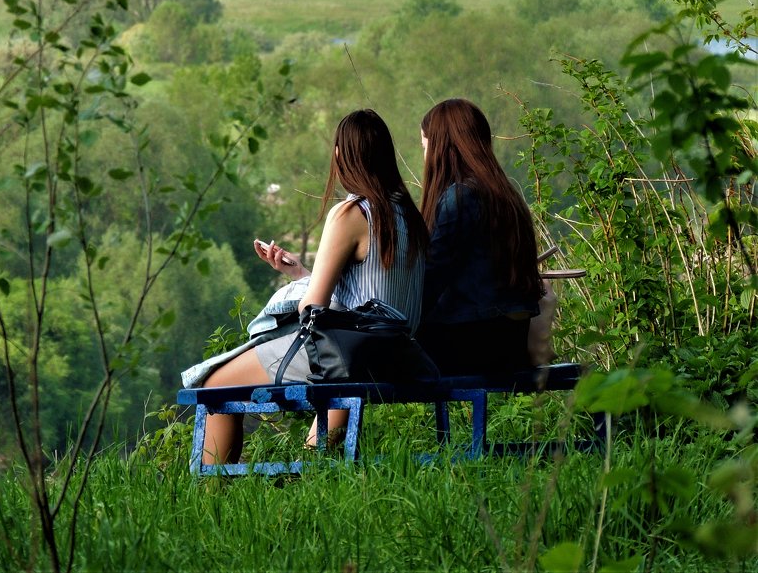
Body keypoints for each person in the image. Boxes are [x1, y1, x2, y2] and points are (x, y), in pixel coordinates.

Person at [198, 109, 428, 465]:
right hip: (398, 354)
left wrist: (298, 292)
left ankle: (213, 498)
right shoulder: (409, 216)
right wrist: (303, 272)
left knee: (215, 386)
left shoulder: (351, 213)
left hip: (351, 353)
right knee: (334, 394)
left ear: (340, 154)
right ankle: (309, 474)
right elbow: (372, 294)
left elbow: (313, 308)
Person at [415, 98, 545, 374]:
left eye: (426, 147)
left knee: (371, 350)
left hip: (475, 341)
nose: (425, 158)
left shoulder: (460, 197)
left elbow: (431, 278)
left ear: (442, 147)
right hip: (510, 338)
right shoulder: (504, 194)